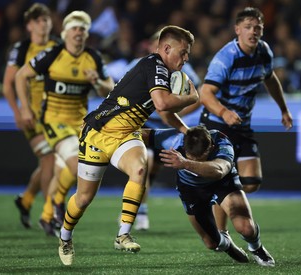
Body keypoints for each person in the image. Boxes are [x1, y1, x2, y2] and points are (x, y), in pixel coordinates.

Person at [58, 25, 199, 266]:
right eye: (183, 52)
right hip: (98, 134)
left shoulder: (162, 70)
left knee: (140, 170)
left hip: (127, 134)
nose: (186, 58)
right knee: (83, 198)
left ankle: (123, 233)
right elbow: (163, 103)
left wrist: (186, 130)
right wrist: (193, 97)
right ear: (166, 48)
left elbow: (163, 112)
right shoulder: (154, 65)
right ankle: (65, 237)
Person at [15, 10, 114, 235]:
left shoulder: (94, 58)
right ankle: (57, 206)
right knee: (77, 166)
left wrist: (97, 81)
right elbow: (21, 76)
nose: (78, 33)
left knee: (68, 168)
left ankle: (49, 213)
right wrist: (24, 108)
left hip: (80, 122)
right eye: (74, 28)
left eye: (83, 29)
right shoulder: (52, 54)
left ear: (87, 34)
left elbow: (110, 87)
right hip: (53, 120)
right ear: (65, 32)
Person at [199, 7, 293, 238]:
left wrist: (284, 109)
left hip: (242, 124)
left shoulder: (264, 52)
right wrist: (224, 113)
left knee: (251, 182)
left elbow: (270, 80)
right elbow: (205, 94)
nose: (253, 32)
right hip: (218, 124)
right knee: (225, 179)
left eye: (257, 27)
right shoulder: (226, 57)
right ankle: (221, 233)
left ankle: (218, 194)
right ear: (237, 30)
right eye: (248, 27)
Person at [142, 125, 275, 266]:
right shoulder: (175, 139)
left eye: (201, 158)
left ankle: (257, 248)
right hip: (191, 189)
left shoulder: (221, 142)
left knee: (246, 228)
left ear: (211, 147)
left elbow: (220, 171)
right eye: (191, 156)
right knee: (211, 243)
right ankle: (228, 245)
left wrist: (186, 163)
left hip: (223, 183)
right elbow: (141, 134)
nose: (197, 162)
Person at [124, 30, 202, 231]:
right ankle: (139, 213)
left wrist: (179, 116)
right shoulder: (142, 65)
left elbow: (197, 95)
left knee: (150, 172)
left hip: (166, 124)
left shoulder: (182, 68)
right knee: (145, 165)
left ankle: (136, 203)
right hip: (142, 123)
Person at [3, 2, 59, 230]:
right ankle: (49, 214)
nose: (43, 24)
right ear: (29, 25)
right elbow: (8, 84)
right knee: (49, 159)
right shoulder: (22, 49)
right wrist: (19, 111)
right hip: (32, 116)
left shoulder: (57, 46)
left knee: (53, 163)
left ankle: (26, 200)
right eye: (39, 21)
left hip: (55, 115)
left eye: (46, 20)